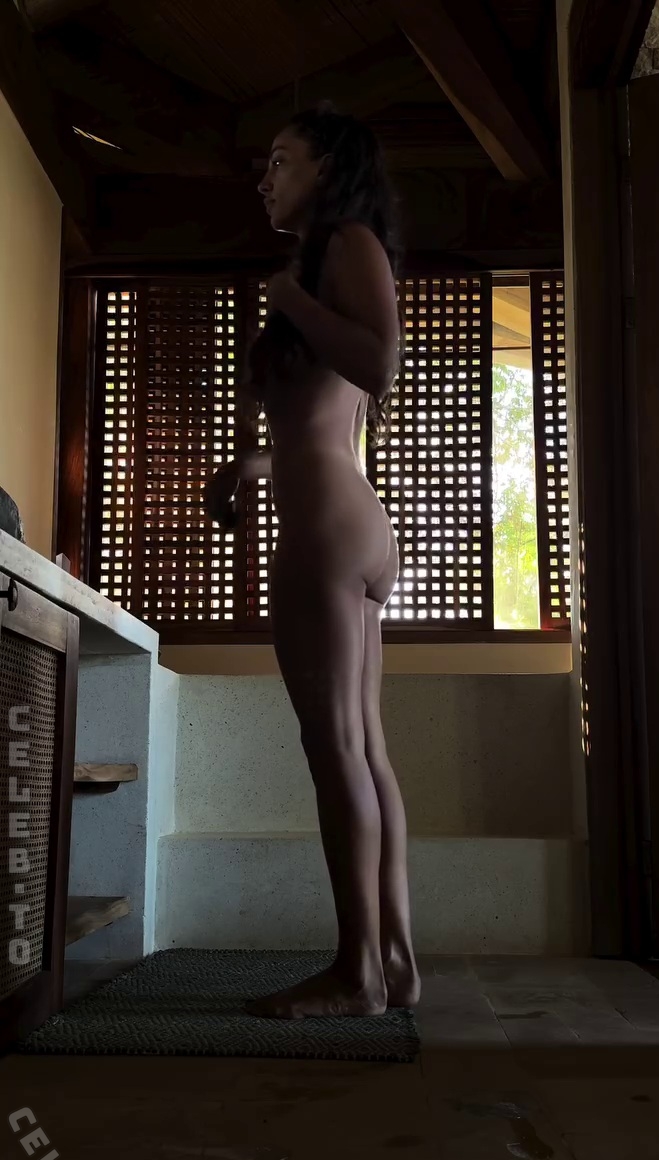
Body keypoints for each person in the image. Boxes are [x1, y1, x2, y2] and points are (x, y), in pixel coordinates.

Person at [203, 102, 421, 1020]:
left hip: (330, 528)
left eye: (281, 160)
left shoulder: (345, 245)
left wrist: (288, 301)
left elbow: (380, 364)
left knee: (334, 749)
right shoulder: (325, 258)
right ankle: (395, 964)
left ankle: (356, 973)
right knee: (362, 748)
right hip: (343, 515)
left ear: (328, 167)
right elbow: (318, 422)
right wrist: (248, 465)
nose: (265, 178)